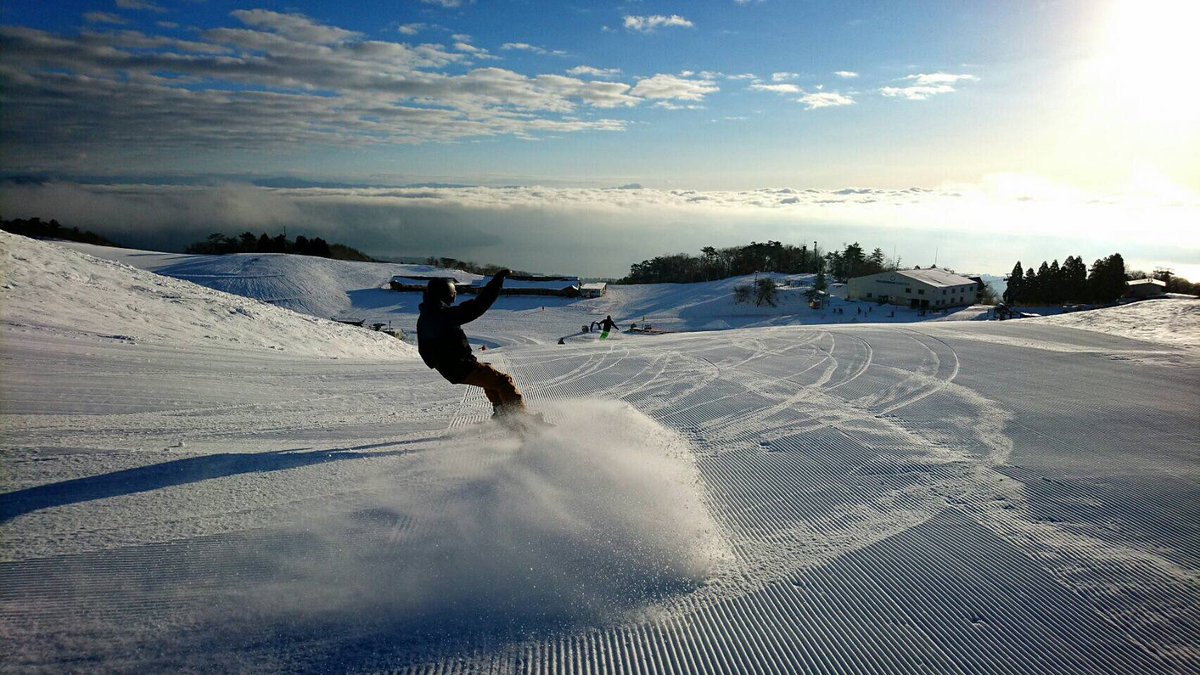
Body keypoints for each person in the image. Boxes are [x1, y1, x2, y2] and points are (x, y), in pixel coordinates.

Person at [417, 272, 526, 418]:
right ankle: (521, 420)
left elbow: (424, 349)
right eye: (453, 292)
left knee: (491, 378)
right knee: (502, 381)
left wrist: (439, 363)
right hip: (458, 366)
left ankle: (502, 415)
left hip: (452, 367)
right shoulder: (441, 315)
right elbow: (476, 307)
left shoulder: (427, 315)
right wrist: (497, 281)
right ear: (448, 293)